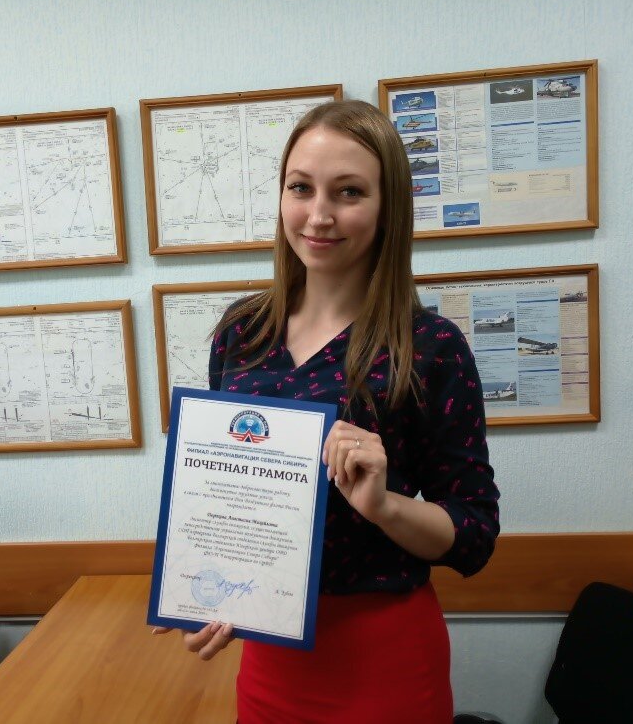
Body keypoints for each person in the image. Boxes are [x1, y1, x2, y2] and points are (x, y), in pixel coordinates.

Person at [154, 100, 499, 723]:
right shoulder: (242, 331)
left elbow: (475, 534)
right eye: (301, 188)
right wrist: (205, 589)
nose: (319, 215)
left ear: (389, 206)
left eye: (349, 192)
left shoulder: (431, 346)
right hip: (271, 659)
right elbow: (234, 501)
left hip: (384, 660)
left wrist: (385, 505)